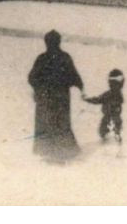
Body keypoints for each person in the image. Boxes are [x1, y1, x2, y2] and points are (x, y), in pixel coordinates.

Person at [27, 30, 84, 162]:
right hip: (61, 97)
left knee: (46, 123)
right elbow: (74, 76)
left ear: (46, 42)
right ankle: (64, 151)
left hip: (44, 97)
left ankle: (46, 151)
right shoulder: (65, 57)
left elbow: (31, 78)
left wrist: (38, 89)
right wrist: (80, 87)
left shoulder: (41, 58)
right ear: (59, 42)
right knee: (61, 123)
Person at [83, 69, 125, 144]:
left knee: (109, 134)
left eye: (115, 83)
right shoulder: (114, 94)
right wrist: (88, 99)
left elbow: (98, 100)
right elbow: (98, 99)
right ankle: (111, 145)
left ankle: (111, 145)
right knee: (110, 134)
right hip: (111, 118)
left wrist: (87, 99)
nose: (113, 85)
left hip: (111, 117)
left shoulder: (110, 94)